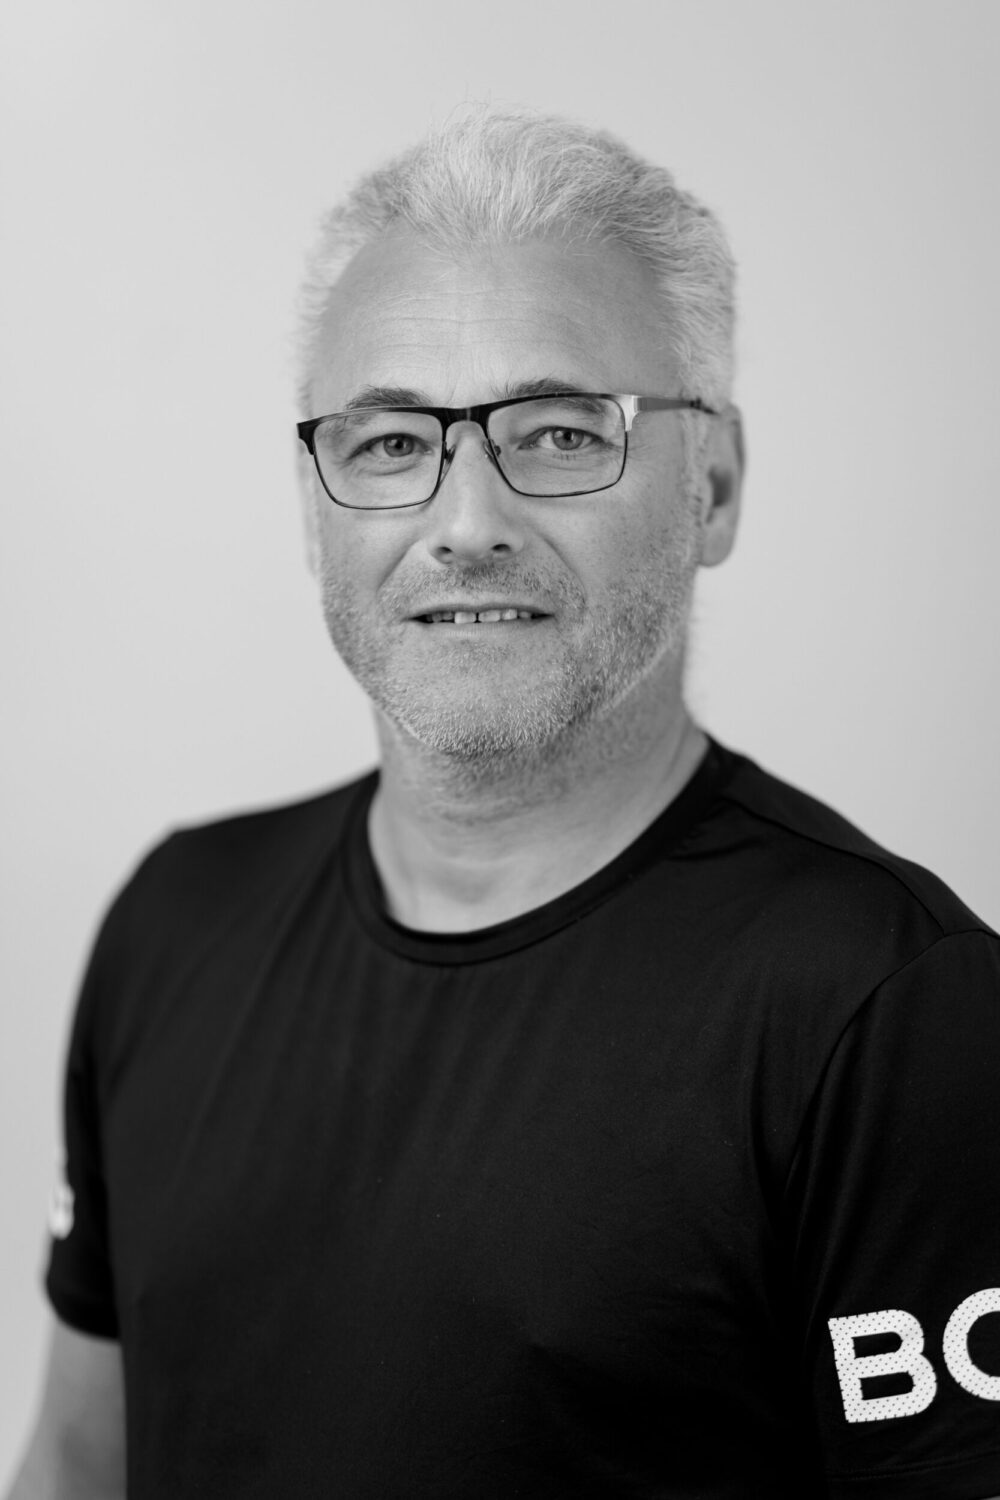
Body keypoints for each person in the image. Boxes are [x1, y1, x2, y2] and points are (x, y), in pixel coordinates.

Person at [6, 105, 1000, 1500]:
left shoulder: (893, 1011)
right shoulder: (174, 921)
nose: (467, 521)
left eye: (561, 432)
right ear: (312, 506)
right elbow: (73, 1463)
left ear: (714, 487)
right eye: (390, 443)